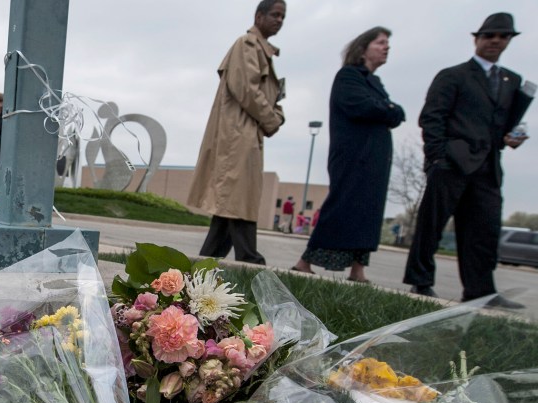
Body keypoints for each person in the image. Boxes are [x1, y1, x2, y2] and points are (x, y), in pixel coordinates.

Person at [404, 13, 531, 309]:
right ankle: (421, 280)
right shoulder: (454, 75)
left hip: (488, 167)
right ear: (477, 39)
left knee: (484, 229)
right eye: (490, 35)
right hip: (451, 162)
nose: (496, 41)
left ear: (509, 40)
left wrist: (510, 139)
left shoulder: (512, 81)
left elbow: (503, 125)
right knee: (432, 224)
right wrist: (437, 157)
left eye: (503, 36)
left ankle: (480, 289)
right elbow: (432, 117)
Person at [291, 27, 405, 283]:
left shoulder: (374, 82)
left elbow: (396, 113)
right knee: (341, 206)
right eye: (381, 42)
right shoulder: (348, 77)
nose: (386, 47)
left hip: (374, 161)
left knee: (368, 213)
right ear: (364, 47)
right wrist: (387, 108)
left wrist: (387, 109)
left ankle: (358, 268)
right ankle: (304, 262)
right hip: (353, 157)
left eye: (388, 43)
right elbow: (363, 107)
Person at [187, 0, 287, 265]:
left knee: (232, 201)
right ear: (259, 16)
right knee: (236, 196)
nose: (280, 20)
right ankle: (248, 257)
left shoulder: (259, 50)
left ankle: (203, 266)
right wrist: (273, 119)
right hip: (238, 134)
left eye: (283, 16)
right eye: (275, 14)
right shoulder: (247, 45)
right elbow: (246, 90)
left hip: (246, 131)